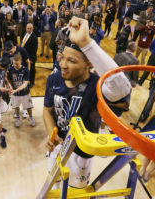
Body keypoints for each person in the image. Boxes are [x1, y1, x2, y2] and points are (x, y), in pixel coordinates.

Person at [44, 16, 131, 189]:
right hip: (58, 144)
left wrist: (87, 43)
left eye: (72, 60)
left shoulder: (97, 84)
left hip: (82, 152)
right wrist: (52, 132)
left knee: (76, 190)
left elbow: (122, 88)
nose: (63, 65)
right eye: (62, 58)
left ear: (88, 63)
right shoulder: (53, 79)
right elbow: (47, 110)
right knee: (54, 184)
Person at [7, 54, 36, 128]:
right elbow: (9, 81)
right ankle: (18, 118)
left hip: (25, 93)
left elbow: (25, 84)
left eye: (17, 64)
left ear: (20, 61)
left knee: (28, 107)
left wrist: (15, 90)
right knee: (16, 107)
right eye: (14, 63)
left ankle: (31, 117)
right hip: (14, 93)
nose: (15, 65)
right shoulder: (10, 69)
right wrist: (9, 86)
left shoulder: (25, 70)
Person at [21, 23, 38, 87]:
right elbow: (22, 43)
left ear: (32, 29)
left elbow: (34, 50)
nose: (29, 30)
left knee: (32, 70)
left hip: (30, 57)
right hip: (23, 55)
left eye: (30, 28)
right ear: (26, 28)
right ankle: (24, 80)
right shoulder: (24, 33)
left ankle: (32, 82)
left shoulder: (34, 38)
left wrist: (31, 59)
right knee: (24, 69)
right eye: (28, 28)